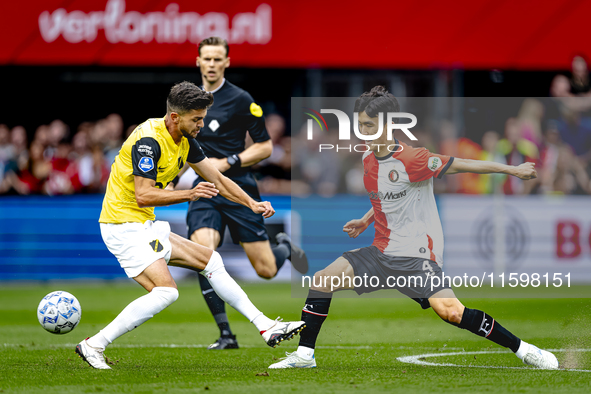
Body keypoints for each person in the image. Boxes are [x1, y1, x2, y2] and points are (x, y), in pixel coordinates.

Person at [268, 86, 559, 370]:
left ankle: (525, 350)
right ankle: (305, 355)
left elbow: (463, 164)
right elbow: (387, 196)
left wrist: (513, 170)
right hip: (381, 253)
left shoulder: (414, 158)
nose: (363, 132)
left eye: (369, 125)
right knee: (322, 280)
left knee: (452, 312)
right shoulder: (368, 159)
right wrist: (366, 220)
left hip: (417, 257)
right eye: (360, 125)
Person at [75, 81, 305, 370]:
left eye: (203, 117)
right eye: (196, 119)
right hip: (123, 226)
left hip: (142, 225)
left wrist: (252, 204)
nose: (202, 124)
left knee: (211, 260)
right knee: (167, 292)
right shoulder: (148, 141)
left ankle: (266, 326)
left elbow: (219, 180)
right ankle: (94, 344)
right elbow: (143, 195)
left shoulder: (186, 141)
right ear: (174, 117)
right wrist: (189, 193)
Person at [181, 37, 308, 350]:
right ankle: (226, 334)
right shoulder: (185, 99)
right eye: (206, 59)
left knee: (265, 269)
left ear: (226, 62)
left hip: (239, 187)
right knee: (203, 254)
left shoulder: (240, 99)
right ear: (197, 61)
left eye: (217, 59)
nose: (211, 64)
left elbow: (265, 146)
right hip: (206, 189)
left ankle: (282, 247)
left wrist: (228, 161)